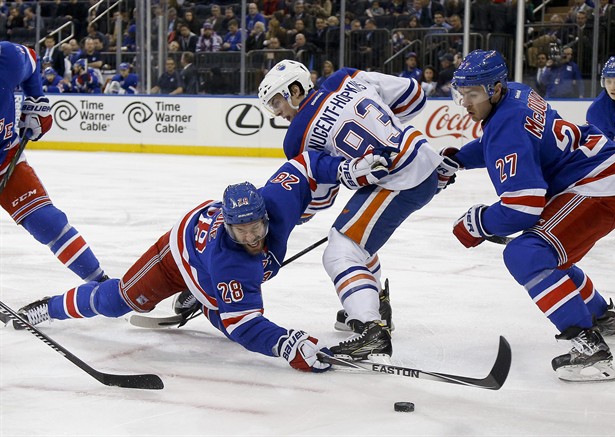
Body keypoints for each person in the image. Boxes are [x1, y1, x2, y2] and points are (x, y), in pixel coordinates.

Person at [10, 150, 392, 372]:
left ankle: (203, 299)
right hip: (177, 255)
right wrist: (287, 346)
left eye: (256, 227)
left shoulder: (279, 202)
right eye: (240, 230)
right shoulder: (230, 259)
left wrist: (344, 168)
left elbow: (307, 164)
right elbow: (245, 327)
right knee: (117, 302)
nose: (251, 237)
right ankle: (50, 307)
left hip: (210, 273)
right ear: (227, 225)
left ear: (265, 215)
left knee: (224, 312)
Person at [447, 49, 615, 382]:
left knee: (527, 253)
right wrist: (457, 159)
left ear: (494, 89)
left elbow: (523, 207)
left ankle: (589, 350)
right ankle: (604, 319)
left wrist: (476, 223)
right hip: (599, 176)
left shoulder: (506, 123)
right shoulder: (516, 92)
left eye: (472, 94)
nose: (465, 102)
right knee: (549, 253)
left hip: (594, 187)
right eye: (461, 93)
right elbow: (499, 140)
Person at [257, 60, 458, 361]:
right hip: (421, 158)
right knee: (355, 239)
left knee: (341, 250)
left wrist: (289, 219)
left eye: (276, 101)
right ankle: (374, 305)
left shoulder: (297, 137)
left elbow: (322, 197)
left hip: (400, 179)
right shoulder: (345, 78)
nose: (278, 113)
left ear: (295, 90)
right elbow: (414, 95)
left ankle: (370, 330)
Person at [0, 42, 106, 284]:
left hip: (5, 158)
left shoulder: (6, 58)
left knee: (49, 223)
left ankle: (99, 284)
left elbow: (32, 60)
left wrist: (36, 99)